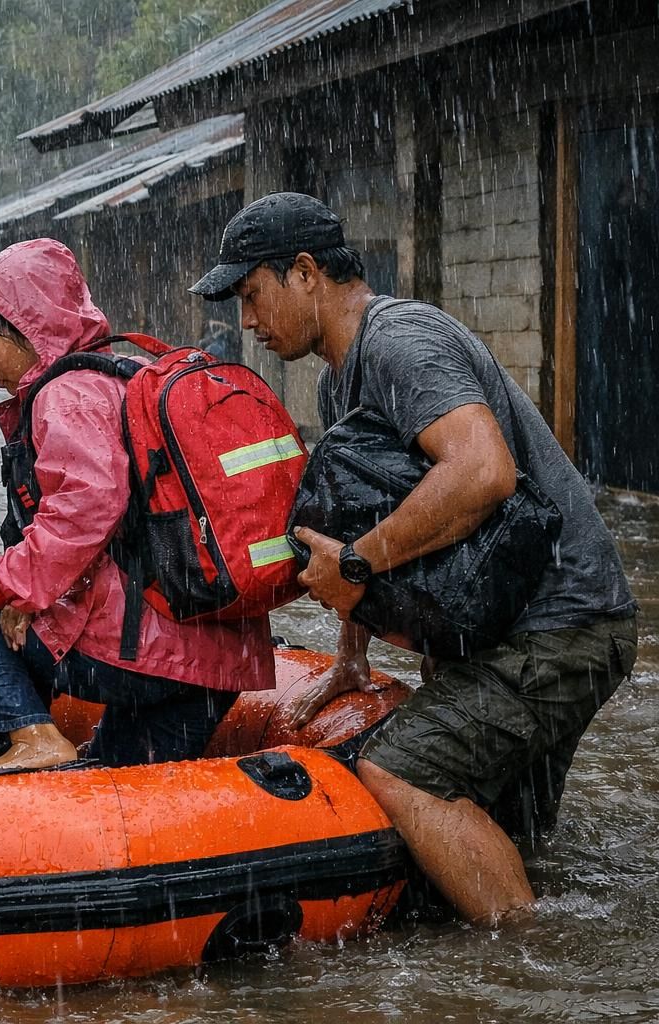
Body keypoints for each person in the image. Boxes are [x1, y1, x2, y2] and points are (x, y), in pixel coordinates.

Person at [190, 191, 637, 926]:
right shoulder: (345, 376)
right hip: (541, 626)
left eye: (251, 294)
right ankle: (552, 938)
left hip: (561, 626)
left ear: (305, 273)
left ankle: (530, 966)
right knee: (514, 828)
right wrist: (350, 657)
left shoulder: (401, 343)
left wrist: (359, 566)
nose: (246, 322)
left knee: (403, 769)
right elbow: (358, 511)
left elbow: (481, 470)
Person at [0, 239, 275, 770]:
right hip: (217, 660)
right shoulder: (127, 374)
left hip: (144, 654)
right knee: (118, 787)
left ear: (32, 333)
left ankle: (34, 738)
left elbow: (86, 506)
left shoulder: (64, 394)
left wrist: (4, 587)